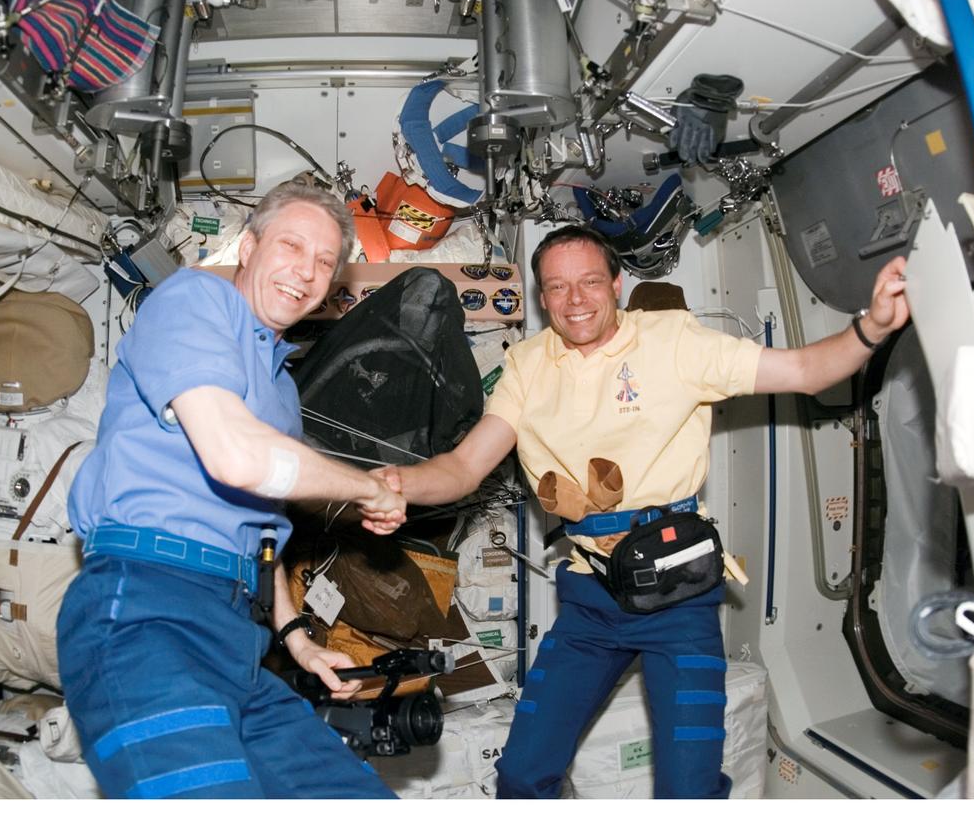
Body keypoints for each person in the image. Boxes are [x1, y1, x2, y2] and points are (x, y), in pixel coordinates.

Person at [380, 224, 908, 798]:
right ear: (540, 296)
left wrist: (871, 327)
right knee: (522, 774)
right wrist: (393, 484)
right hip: (590, 600)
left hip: (678, 595)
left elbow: (806, 372)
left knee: (688, 789)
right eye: (557, 288)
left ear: (617, 282)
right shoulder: (528, 365)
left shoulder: (674, 341)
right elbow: (463, 468)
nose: (574, 300)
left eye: (588, 282)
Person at [58, 181, 406, 799]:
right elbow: (240, 461)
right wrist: (365, 490)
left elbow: (258, 529)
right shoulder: (193, 299)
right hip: (146, 610)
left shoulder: (281, 391)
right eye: (292, 245)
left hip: (234, 635)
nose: (307, 271)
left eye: (326, 262)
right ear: (247, 247)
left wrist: (296, 637)